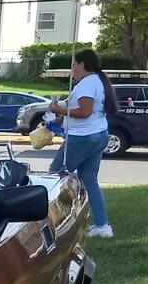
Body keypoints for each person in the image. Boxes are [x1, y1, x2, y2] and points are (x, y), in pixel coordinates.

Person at [47, 49, 115, 238]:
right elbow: (86, 112)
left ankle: (52, 223)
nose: (72, 70)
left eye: (74, 65)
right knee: (90, 180)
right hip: (98, 134)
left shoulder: (86, 84)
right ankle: (102, 226)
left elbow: (84, 112)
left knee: (55, 176)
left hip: (82, 137)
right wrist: (62, 119)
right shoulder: (98, 82)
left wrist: (57, 108)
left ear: (82, 65)